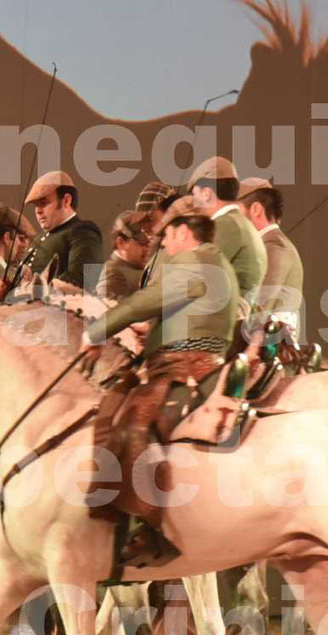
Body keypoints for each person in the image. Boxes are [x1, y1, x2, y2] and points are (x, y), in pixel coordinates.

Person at [80, 197, 239, 564]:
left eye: (166, 235)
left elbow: (148, 299)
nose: (163, 244)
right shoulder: (215, 261)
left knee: (133, 420)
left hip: (182, 365)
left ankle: (149, 525)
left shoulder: (194, 261)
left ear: (183, 230)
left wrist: (97, 332)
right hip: (189, 359)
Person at [187, 156, 267, 300]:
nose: (193, 203)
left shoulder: (227, 225)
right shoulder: (240, 223)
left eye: (195, 194)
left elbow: (196, 280)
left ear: (206, 194)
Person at [238, 177, 304, 338]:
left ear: (256, 210)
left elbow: (261, 307)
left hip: (268, 352)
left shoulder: (276, 248)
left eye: (236, 211)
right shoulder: (269, 246)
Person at [25, 170, 103, 294]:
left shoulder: (83, 232)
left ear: (66, 200)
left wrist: (36, 290)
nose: (38, 211)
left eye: (43, 203)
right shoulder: (39, 239)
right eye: (36, 205)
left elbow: (82, 279)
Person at [96, 211, 150, 302]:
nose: (147, 248)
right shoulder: (113, 277)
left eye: (149, 243)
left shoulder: (129, 269)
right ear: (120, 243)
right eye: (142, 243)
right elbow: (105, 313)